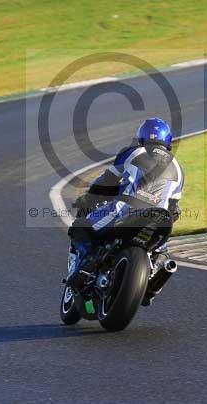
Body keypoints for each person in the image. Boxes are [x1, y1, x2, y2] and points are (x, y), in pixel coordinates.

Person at [66, 117, 184, 291]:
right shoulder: (179, 169)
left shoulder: (132, 152)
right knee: (162, 252)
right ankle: (153, 283)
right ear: (167, 140)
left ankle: (87, 267)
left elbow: (107, 181)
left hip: (126, 209)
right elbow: (174, 209)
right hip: (160, 219)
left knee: (80, 227)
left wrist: (87, 199)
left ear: (141, 137)